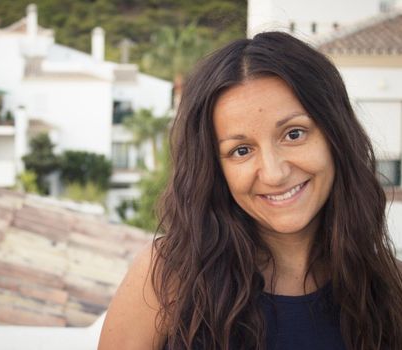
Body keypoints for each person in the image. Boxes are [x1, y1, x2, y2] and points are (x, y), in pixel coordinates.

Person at [98, 31, 402, 350]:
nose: (274, 173)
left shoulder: (389, 288)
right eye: (241, 150)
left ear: (335, 136)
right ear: (216, 169)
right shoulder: (166, 278)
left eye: (294, 134)